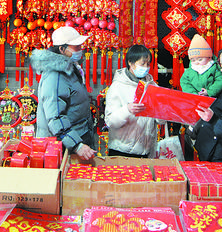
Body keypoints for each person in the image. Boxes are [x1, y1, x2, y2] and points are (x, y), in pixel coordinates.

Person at [30, 25, 97, 161]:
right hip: (62, 147)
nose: (80, 50)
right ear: (62, 49)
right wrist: (77, 145)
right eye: (76, 47)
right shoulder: (55, 74)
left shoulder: (69, 69)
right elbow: (55, 116)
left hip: (74, 139)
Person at [104, 44, 159, 158]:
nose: (146, 67)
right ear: (130, 62)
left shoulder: (153, 86)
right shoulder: (118, 86)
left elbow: (160, 121)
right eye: (142, 63)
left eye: (148, 64)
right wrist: (127, 110)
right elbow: (110, 122)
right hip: (122, 151)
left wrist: (162, 110)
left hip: (146, 152)